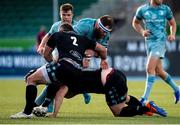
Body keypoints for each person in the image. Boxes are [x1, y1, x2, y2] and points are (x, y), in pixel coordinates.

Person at [10, 23, 166, 118]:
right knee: (124, 99)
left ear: (62, 31)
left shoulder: (68, 77)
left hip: (109, 80)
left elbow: (60, 91)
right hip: (116, 74)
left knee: (118, 112)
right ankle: (147, 109)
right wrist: (102, 57)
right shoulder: (82, 47)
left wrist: (53, 113)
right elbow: (101, 50)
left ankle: (146, 108)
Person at [10, 22, 108, 119]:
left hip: (64, 66)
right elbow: (103, 50)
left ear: (61, 30)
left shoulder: (57, 34)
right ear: (72, 31)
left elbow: (46, 54)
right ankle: (44, 106)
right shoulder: (83, 39)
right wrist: (103, 60)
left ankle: (27, 112)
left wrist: (52, 62)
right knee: (57, 80)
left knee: (31, 79)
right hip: (77, 72)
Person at [34, 3, 91, 113]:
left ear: (72, 15)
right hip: (58, 56)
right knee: (56, 81)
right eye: (63, 14)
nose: (66, 17)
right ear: (60, 14)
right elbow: (48, 35)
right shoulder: (56, 26)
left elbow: (84, 45)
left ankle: (39, 105)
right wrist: (41, 45)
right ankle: (45, 105)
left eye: (68, 15)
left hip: (73, 59)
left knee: (58, 81)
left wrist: (86, 58)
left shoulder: (79, 27)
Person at [132, 0, 180, 106]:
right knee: (159, 71)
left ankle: (144, 99)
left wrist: (172, 34)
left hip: (160, 42)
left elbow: (172, 23)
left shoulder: (166, 9)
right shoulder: (142, 9)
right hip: (149, 43)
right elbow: (135, 23)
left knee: (149, 68)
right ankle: (177, 89)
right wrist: (142, 31)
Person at [72, 15, 113, 103]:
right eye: (104, 31)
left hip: (85, 49)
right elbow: (70, 41)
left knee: (78, 72)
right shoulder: (85, 26)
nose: (105, 34)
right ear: (98, 25)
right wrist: (83, 56)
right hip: (70, 46)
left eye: (107, 32)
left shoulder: (105, 33)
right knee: (61, 76)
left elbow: (102, 51)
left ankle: (83, 90)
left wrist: (102, 59)